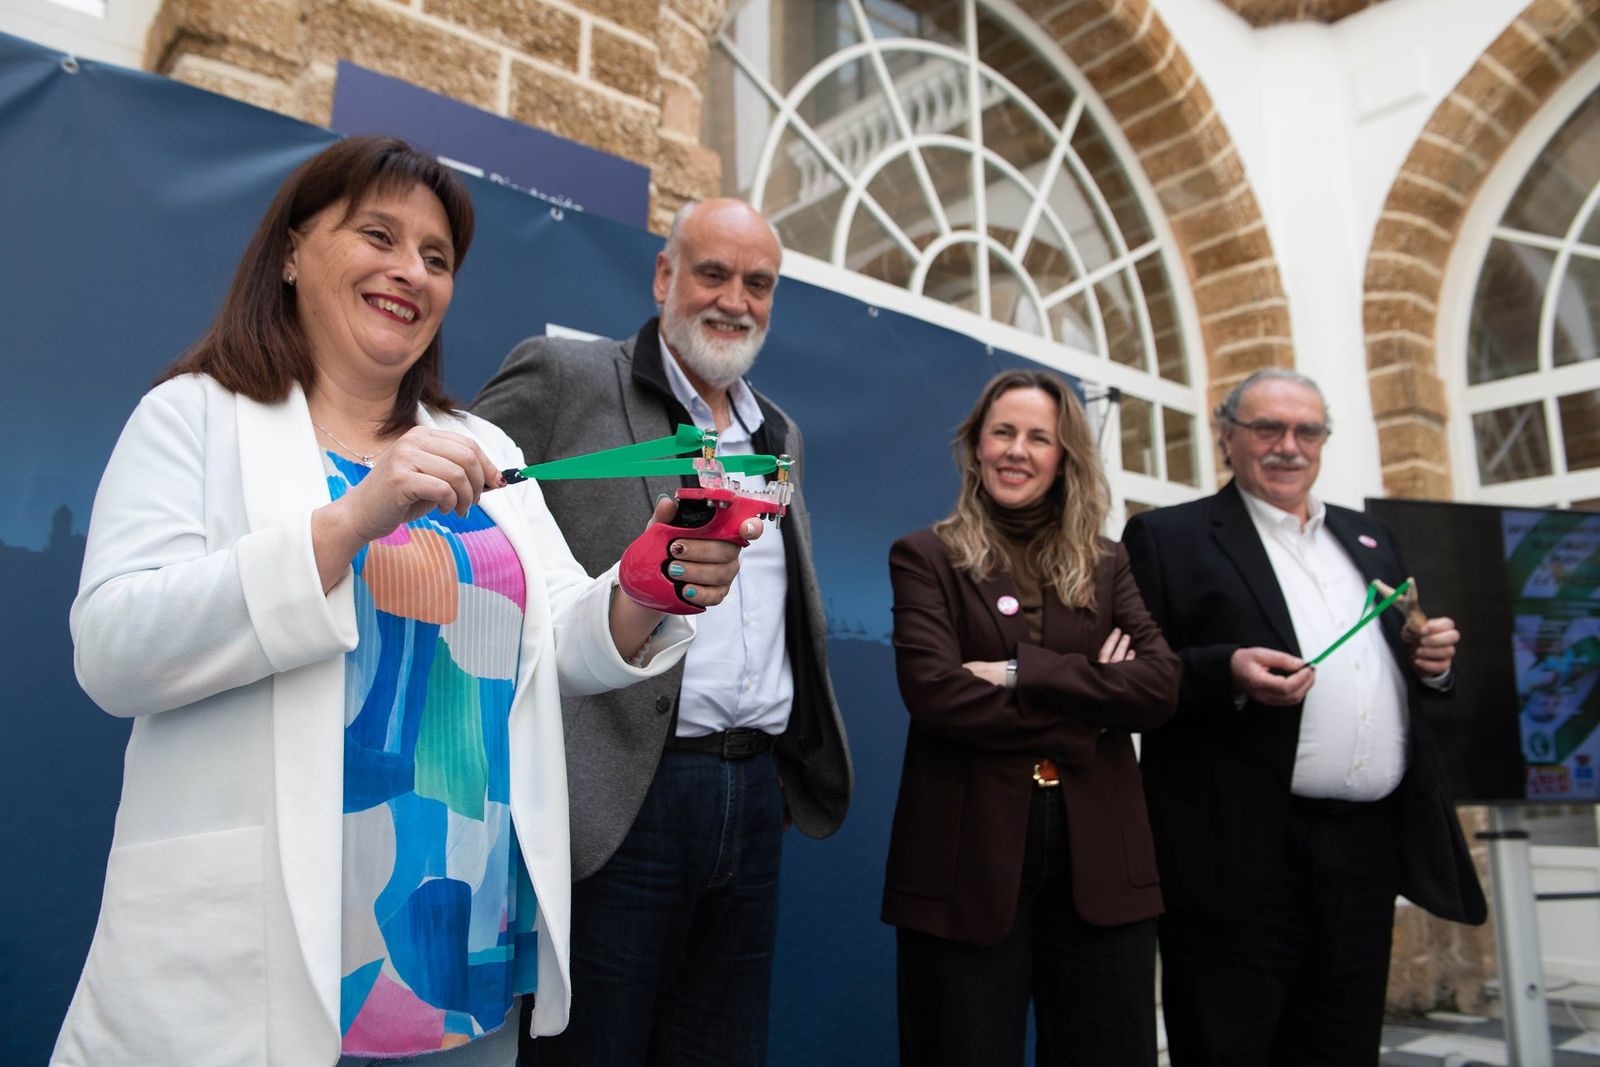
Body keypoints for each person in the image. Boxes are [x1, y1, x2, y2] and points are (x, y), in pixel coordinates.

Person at [51, 137, 757, 1067]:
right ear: (294, 251)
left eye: (436, 257)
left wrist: (644, 584)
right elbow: (113, 650)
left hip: (460, 969)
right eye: (378, 235)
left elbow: (561, 645)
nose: (410, 271)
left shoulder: (476, 442)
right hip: (252, 969)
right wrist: (349, 521)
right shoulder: (194, 415)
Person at [472, 197, 851, 1066]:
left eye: (758, 283)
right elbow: (466, 518)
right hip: (617, 796)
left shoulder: (776, 429)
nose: (735, 300)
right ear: (663, 275)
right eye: (713, 272)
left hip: (753, 796)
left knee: (720, 1048)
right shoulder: (566, 377)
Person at [1122, 368, 1487, 1067]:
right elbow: (1138, 674)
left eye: (1306, 430)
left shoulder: (1369, 536)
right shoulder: (1168, 536)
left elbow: (1399, 662)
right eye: (1267, 428)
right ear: (1226, 435)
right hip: (1237, 851)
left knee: (1342, 1047)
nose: (1288, 445)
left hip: (1364, 850)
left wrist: (1431, 662)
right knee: (1230, 1046)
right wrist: (1223, 670)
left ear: (1323, 440)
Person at [883, 369, 1181, 1067]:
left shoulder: (1109, 563)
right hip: (965, 861)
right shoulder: (925, 556)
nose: (1017, 450)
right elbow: (936, 693)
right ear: (977, 447)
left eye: (1038, 437)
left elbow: (1161, 686)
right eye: (1003, 432)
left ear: (1064, 454)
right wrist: (1090, 708)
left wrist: (1023, 671)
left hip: (1101, 862)